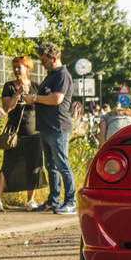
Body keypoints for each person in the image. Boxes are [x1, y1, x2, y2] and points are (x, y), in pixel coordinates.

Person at [25, 42, 76, 215]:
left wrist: (34, 98)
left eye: (44, 60)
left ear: (54, 58)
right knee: (51, 166)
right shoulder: (51, 74)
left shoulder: (62, 74)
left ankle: (70, 201)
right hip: (47, 127)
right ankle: (53, 200)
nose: (42, 64)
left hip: (58, 127)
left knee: (62, 165)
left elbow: (56, 99)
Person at [0, 56, 47, 212]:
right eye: (15, 66)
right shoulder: (9, 86)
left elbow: (43, 108)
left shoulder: (37, 87)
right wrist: (18, 94)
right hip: (14, 134)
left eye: (19, 67)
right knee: (7, 166)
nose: (16, 70)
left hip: (34, 134)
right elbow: (7, 108)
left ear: (28, 69)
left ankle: (30, 200)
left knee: (33, 166)